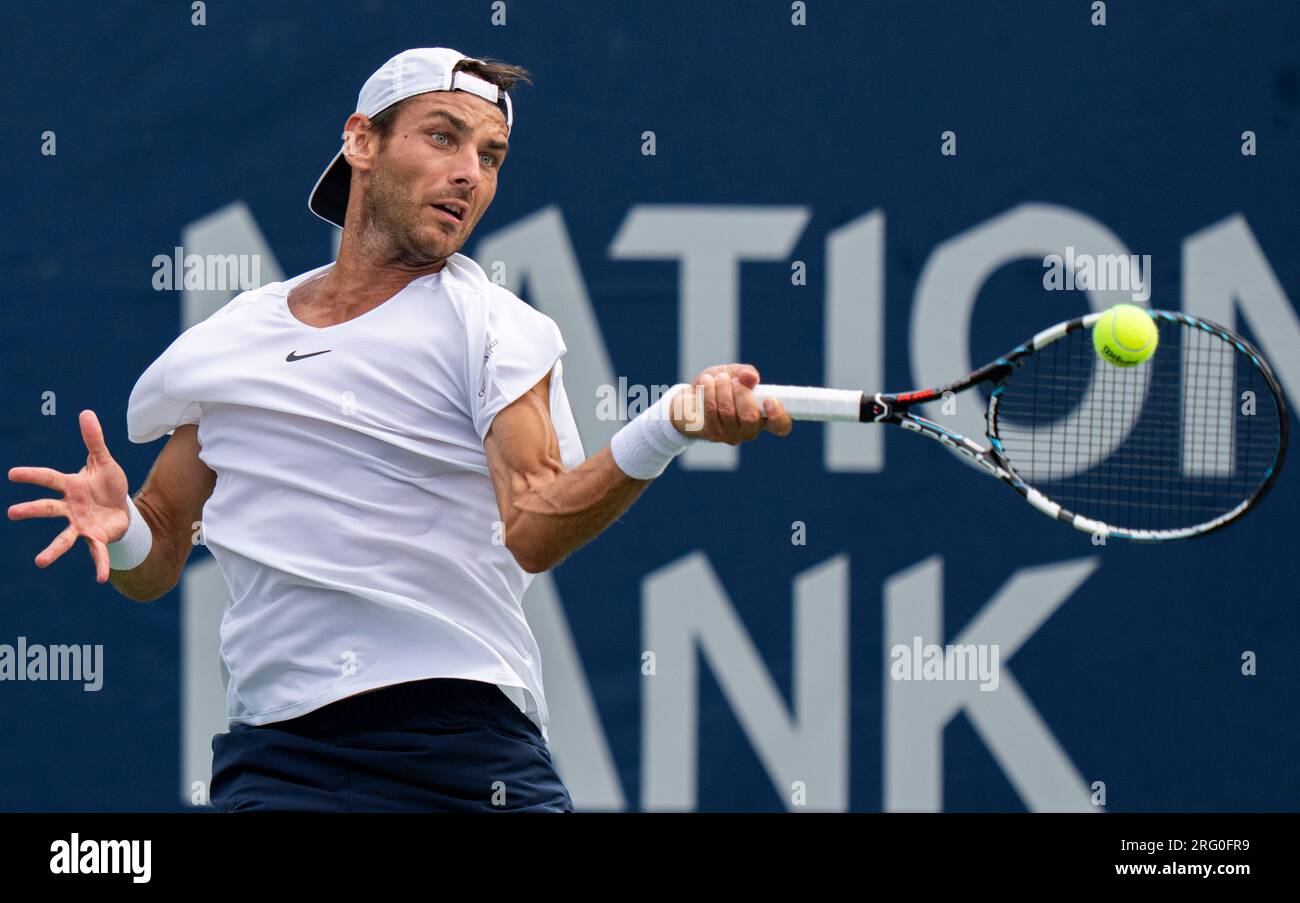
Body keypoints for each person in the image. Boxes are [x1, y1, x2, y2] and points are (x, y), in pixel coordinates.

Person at [6, 47, 791, 812]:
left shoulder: (494, 326)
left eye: (492, 155)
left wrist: (666, 427)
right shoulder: (237, 336)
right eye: (444, 136)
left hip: (464, 751)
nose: (470, 174)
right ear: (362, 141)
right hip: (278, 761)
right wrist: (124, 528)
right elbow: (162, 543)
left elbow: (535, 528)